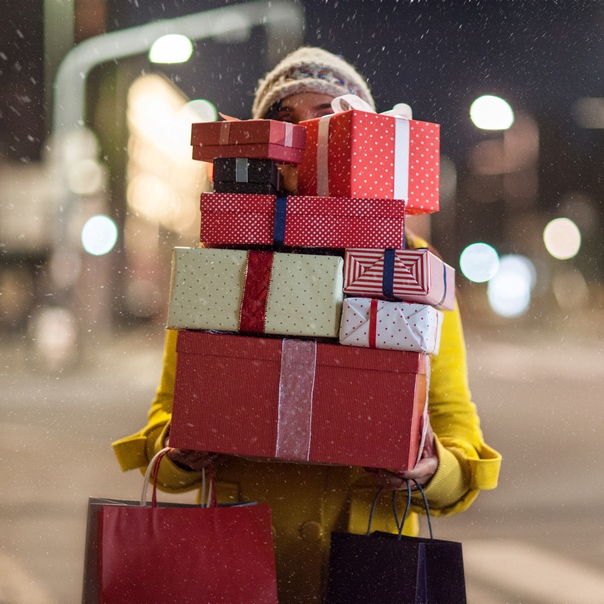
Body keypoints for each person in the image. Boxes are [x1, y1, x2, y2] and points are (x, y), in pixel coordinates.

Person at [112, 47, 501, 603]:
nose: (304, 139)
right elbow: (168, 421)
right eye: (285, 122)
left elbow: (455, 433)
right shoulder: (221, 258)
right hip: (242, 560)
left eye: (326, 118)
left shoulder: (412, 265)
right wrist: (179, 454)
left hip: (370, 564)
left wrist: (430, 467)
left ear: (361, 139)